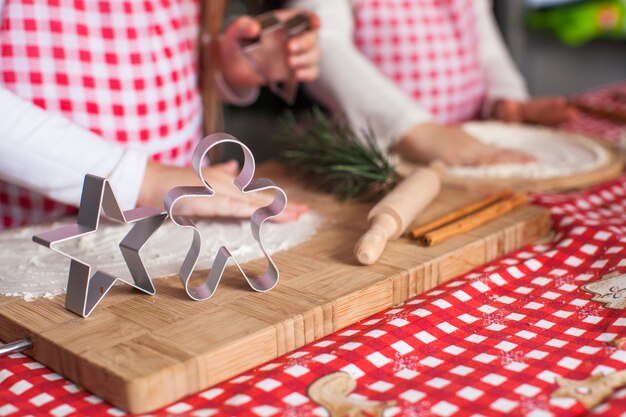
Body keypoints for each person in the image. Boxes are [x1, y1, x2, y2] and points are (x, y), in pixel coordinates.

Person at [0, 1, 320, 229]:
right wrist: (143, 180)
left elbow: (159, 49)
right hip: (38, 231)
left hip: (182, 217)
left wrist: (228, 63)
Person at [287, 0, 576, 166]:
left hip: (474, 142)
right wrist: (413, 129)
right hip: (380, 157)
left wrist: (505, 97)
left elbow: (483, 44)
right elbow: (323, 44)